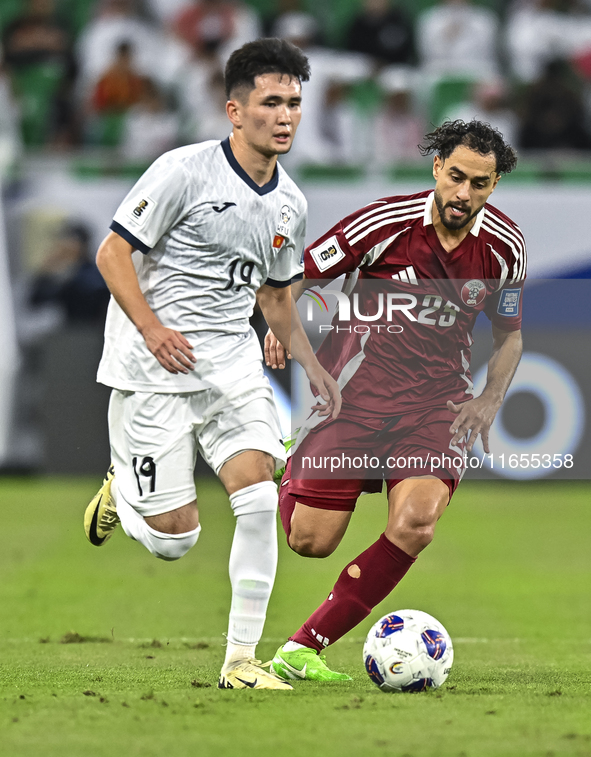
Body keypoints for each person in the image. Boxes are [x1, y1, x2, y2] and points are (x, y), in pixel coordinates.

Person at [83, 37, 341, 691]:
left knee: (258, 496)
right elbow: (112, 254)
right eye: (270, 102)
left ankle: (239, 662)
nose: (284, 116)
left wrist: (309, 364)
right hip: (155, 368)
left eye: (293, 104)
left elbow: (277, 293)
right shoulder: (183, 171)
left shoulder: (291, 203)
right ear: (234, 110)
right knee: (176, 540)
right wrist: (152, 328)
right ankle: (125, 490)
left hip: (230, 361)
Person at [264, 120, 526, 681]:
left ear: (494, 183)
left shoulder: (506, 249)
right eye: (455, 177)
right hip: (352, 397)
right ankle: (283, 463)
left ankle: (302, 647)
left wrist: (489, 398)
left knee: (416, 524)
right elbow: (298, 275)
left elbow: (510, 335)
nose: (464, 194)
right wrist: (281, 327)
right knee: (310, 542)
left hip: (436, 406)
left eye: (479, 184)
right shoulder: (382, 224)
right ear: (436, 168)